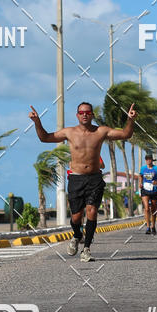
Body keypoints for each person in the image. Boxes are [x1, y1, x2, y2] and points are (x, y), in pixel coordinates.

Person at [29, 101, 136, 262]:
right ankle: (77, 235)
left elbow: (126, 134)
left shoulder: (101, 131)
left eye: (87, 112)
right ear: (77, 115)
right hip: (76, 179)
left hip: (94, 178)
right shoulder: (69, 132)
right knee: (76, 217)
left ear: (92, 115)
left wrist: (130, 119)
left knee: (92, 211)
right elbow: (44, 138)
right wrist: (37, 122)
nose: (84, 115)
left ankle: (86, 249)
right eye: (81, 112)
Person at [140, 154, 157, 235]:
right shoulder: (143, 168)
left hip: (154, 190)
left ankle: (153, 226)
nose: (148, 160)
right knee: (147, 208)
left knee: (153, 209)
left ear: (152, 160)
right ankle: (148, 227)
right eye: (146, 159)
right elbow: (140, 176)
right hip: (145, 190)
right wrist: (140, 183)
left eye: (149, 159)